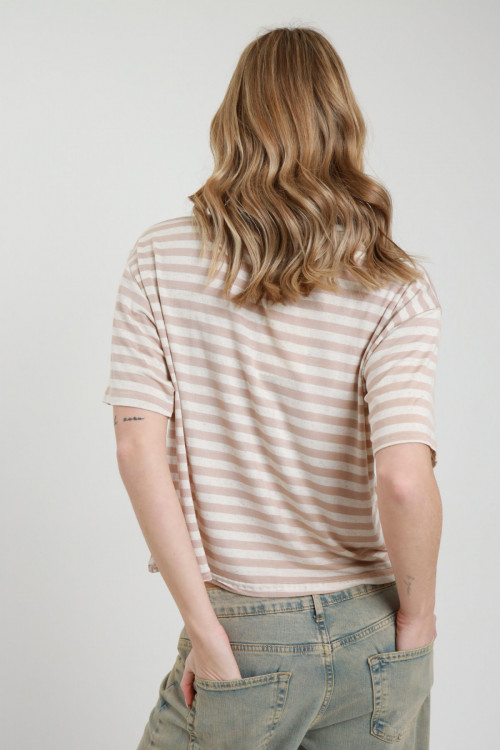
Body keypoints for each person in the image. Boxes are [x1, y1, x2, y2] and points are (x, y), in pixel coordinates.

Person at [102, 24, 442, 750]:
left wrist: (206, 636)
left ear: (234, 121)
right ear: (342, 126)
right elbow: (405, 479)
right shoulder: (396, 284)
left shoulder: (160, 259)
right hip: (373, 633)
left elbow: (137, 451)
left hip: (242, 635)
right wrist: (417, 624)